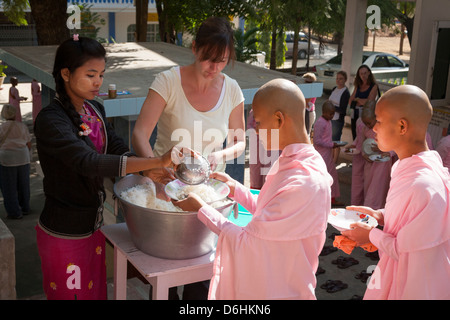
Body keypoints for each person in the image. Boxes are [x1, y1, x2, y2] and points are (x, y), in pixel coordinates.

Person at [34, 35, 186, 300]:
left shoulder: (95, 110)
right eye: (91, 74)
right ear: (66, 73)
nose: (98, 82)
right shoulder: (51, 120)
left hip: (93, 228)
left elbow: (117, 148)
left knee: (96, 294)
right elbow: (88, 162)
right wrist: (156, 161)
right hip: (65, 232)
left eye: (101, 75)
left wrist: (147, 171)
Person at [174, 78, 332, 300]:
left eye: (257, 122)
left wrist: (201, 208)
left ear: (279, 119)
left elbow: (248, 243)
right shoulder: (297, 160)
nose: (254, 130)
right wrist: (234, 189)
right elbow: (271, 214)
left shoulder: (305, 179)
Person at [343, 85, 450, 300]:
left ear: (402, 126)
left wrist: (370, 235)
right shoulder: (410, 165)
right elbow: (413, 220)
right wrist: (380, 215)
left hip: (414, 284)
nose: (374, 129)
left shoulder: (424, 183)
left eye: (379, 122)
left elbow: (408, 250)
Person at [132, 16, 245, 185]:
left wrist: (220, 155)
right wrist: (155, 169)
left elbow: (239, 141)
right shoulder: (168, 81)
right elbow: (139, 134)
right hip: (166, 183)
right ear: (194, 48)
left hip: (209, 186)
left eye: (222, 61)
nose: (214, 68)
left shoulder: (232, 89)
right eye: (208, 58)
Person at [0, 104, 31, 219]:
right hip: (23, 157)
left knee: (9, 187)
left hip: (6, 159)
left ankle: (14, 212)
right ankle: (25, 208)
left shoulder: (2, 127)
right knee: (23, 184)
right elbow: (28, 143)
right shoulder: (22, 126)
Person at [360, 102, 393, 210]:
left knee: (377, 190)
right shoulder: (365, 129)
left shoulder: (387, 128)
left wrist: (384, 149)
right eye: (365, 123)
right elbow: (362, 143)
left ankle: (375, 213)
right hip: (369, 163)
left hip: (382, 165)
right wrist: (364, 154)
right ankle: (367, 211)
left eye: (370, 123)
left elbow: (395, 146)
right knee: (368, 187)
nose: (369, 126)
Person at [314, 100, 342, 206]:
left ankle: (332, 199)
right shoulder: (320, 123)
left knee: (332, 176)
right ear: (323, 112)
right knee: (323, 177)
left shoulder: (328, 121)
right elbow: (317, 141)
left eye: (333, 114)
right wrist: (331, 145)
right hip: (322, 155)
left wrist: (332, 144)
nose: (332, 116)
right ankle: (321, 199)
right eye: (330, 114)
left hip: (328, 154)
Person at [247, 107, 280, 189]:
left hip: (273, 138)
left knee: (270, 168)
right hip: (258, 140)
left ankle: (266, 190)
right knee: (256, 169)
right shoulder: (256, 110)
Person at [348, 65, 378, 140]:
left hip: (366, 116)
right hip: (355, 114)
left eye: (365, 73)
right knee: (355, 135)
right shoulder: (358, 85)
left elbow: (369, 103)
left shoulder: (373, 86)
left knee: (363, 136)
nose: (363, 76)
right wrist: (361, 100)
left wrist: (357, 99)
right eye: (361, 74)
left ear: (369, 73)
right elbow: (350, 101)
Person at [329, 70, 350, 163]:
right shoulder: (334, 89)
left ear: (345, 80)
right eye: (337, 78)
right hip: (330, 118)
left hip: (337, 120)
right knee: (330, 140)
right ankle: (330, 158)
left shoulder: (345, 93)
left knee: (336, 141)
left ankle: (335, 160)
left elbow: (343, 110)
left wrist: (332, 107)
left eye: (341, 79)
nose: (338, 80)